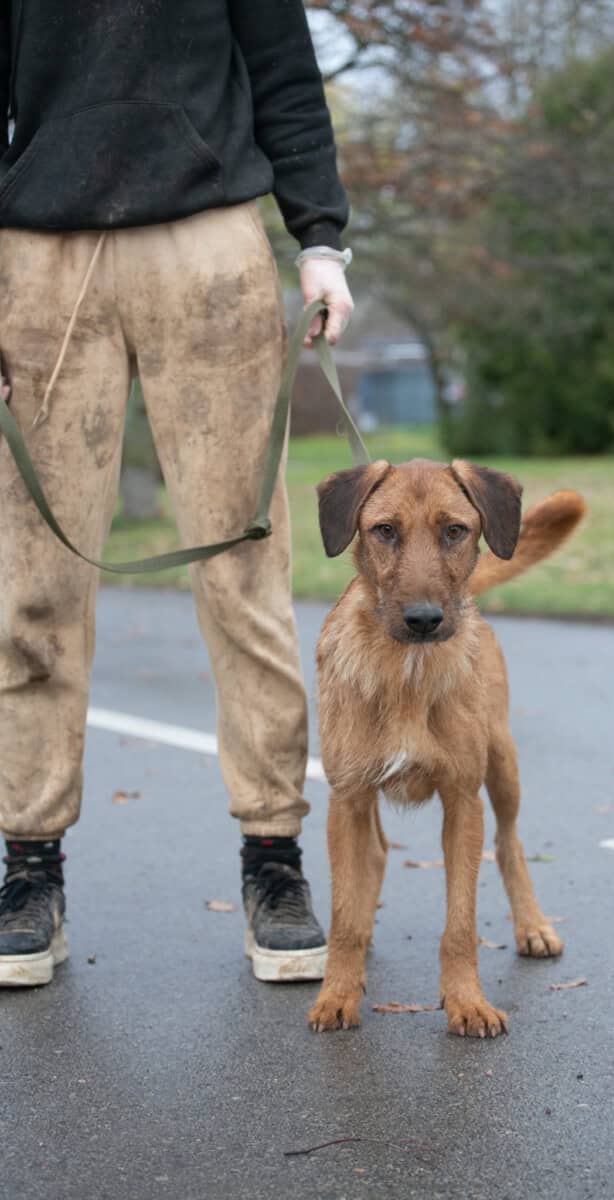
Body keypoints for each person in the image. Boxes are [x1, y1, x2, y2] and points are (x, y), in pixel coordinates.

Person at [0, 1, 353, 987]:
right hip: (38, 253)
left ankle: (273, 859)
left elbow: (284, 73)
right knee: (33, 587)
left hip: (210, 244)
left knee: (243, 573)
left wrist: (320, 241)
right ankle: (29, 869)